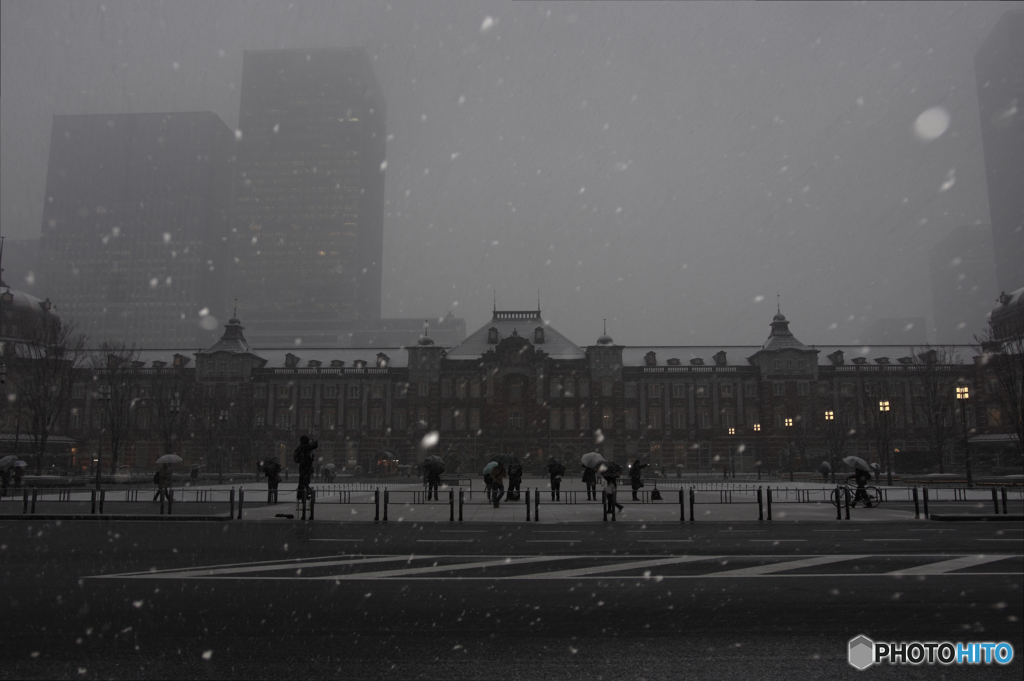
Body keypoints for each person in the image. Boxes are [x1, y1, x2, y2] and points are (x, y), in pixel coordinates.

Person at [293, 435, 318, 505]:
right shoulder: (305, 447)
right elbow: (315, 446)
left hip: (302, 466)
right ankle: (304, 494)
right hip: (306, 466)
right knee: (306, 481)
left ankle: (301, 494)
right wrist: (315, 441)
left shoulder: (299, 448)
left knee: (302, 480)